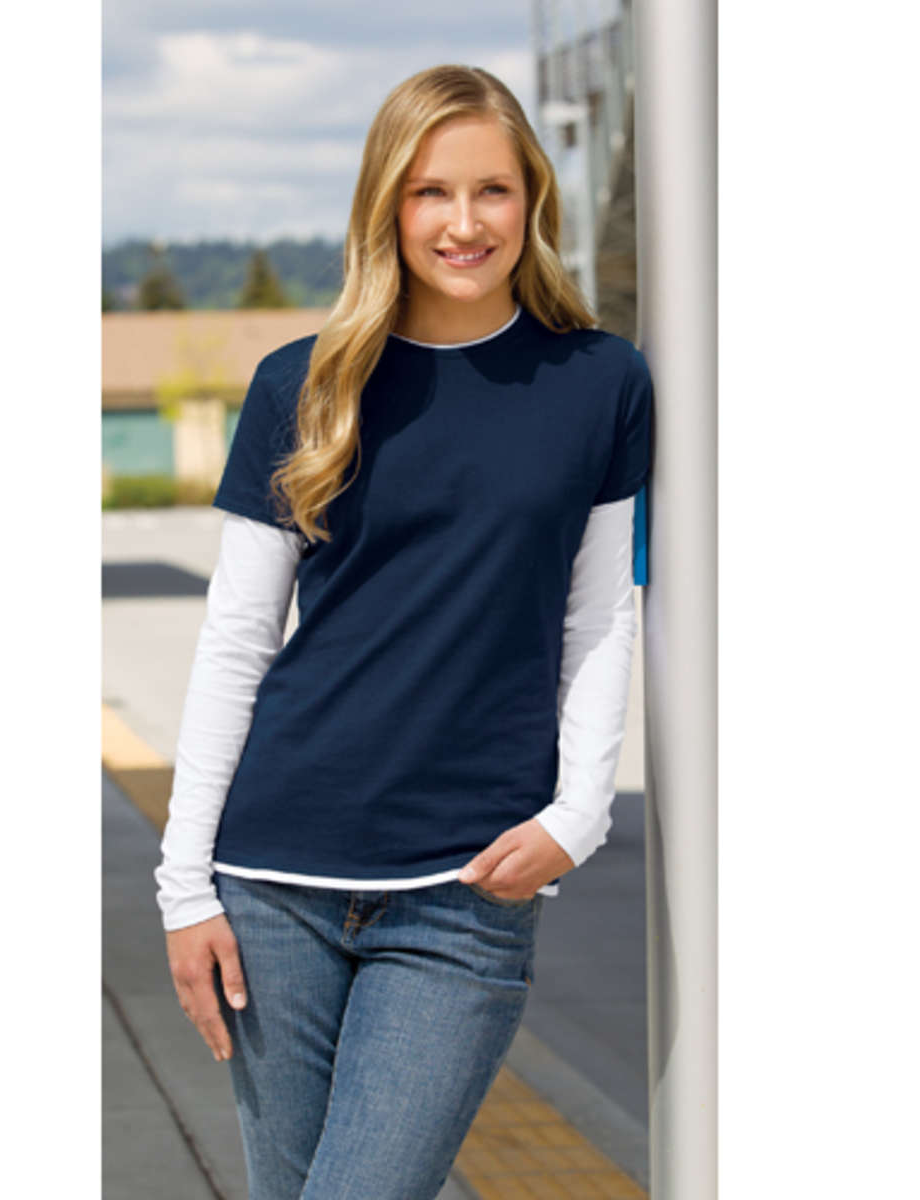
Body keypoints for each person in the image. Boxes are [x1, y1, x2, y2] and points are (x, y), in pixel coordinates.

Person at [155, 63, 654, 1200]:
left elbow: (597, 617)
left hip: (466, 891)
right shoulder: (304, 384)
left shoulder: (600, 383)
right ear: (388, 203)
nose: (464, 223)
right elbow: (237, 642)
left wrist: (579, 816)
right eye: (432, 192)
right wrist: (185, 889)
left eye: (492, 190)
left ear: (533, 199)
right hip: (272, 879)